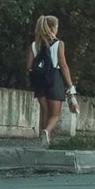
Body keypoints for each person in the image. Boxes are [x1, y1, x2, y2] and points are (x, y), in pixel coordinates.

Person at [26, 15, 76, 147]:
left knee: (45, 112)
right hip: (54, 79)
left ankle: (44, 141)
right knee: (55, 115)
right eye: (57, 27)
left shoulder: (34, 45)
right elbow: (63, 65)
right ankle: (47, 132)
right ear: (53, 28)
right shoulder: (59, 44)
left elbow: (29, 66)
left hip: (39, 81)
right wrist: (70, 85)